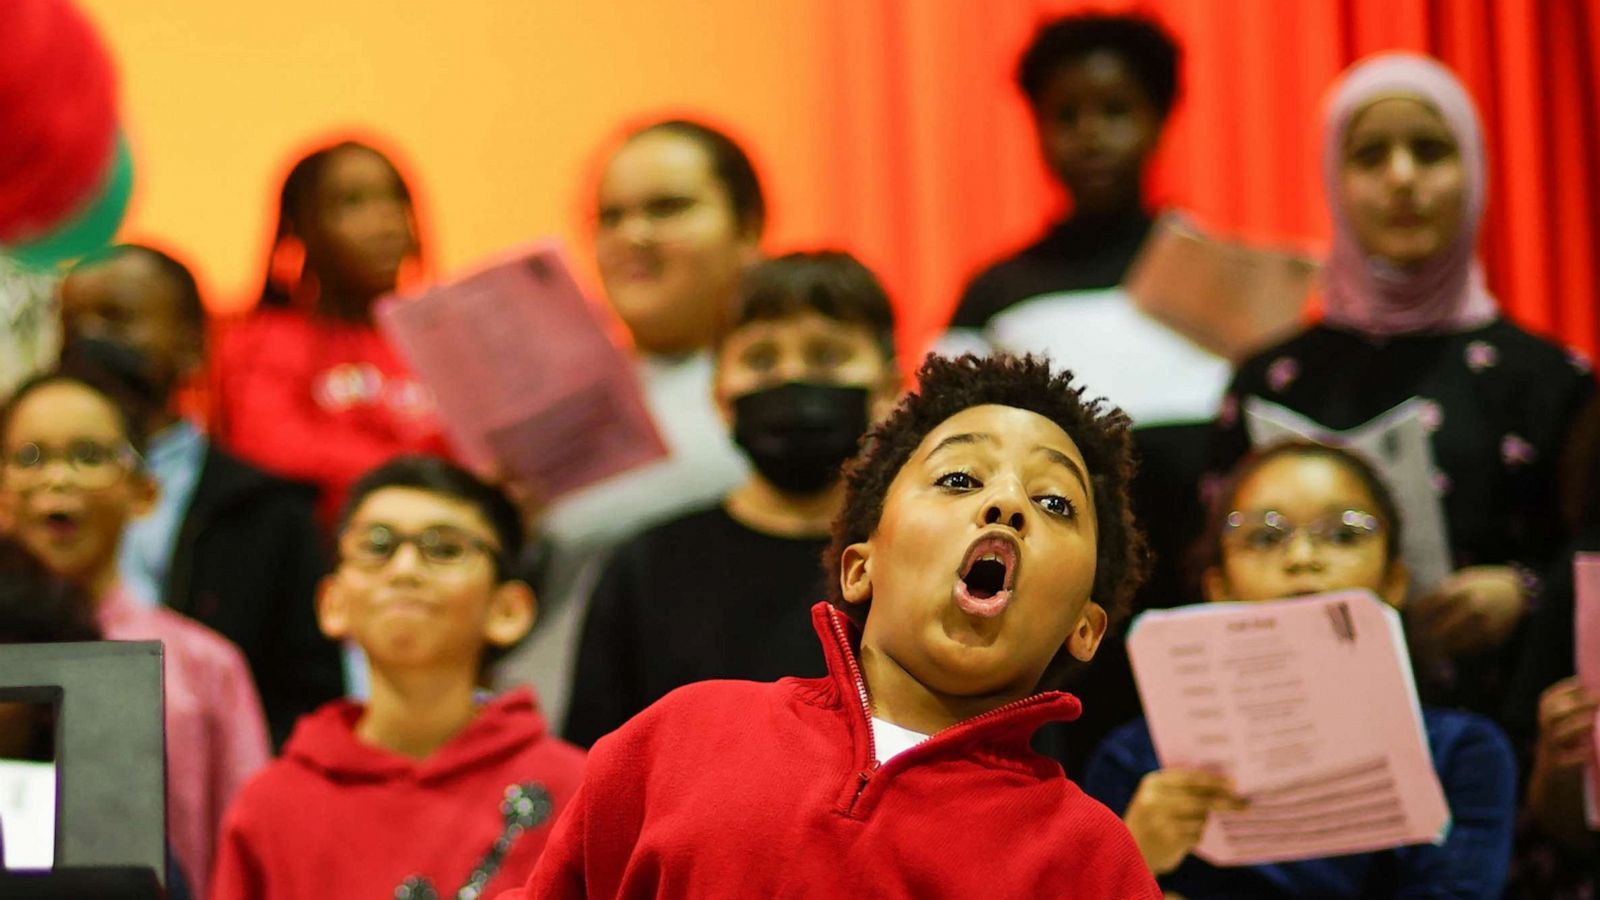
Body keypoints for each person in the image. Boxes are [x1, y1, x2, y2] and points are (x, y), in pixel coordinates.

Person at [501, 353, 1161, 899]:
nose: (1005, 503)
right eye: (959, 478)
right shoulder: (680, 735)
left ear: (1086, 627)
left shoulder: (1091, 861)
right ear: (859, 568)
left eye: (1053, 502)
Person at [1210, 54, 1596, 722]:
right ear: (1334, 178)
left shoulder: (1549, 377)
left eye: (1430, 150)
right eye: (1370, 156)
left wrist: (1525, 592)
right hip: (1302, 734)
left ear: (1474, 169)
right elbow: (1211, 564)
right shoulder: (1270, 379)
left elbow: (1587, 552)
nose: (1403, 179)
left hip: (1507, 732)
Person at [939, 12, 1215, 779]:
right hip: (1047, 635)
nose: (1091, 135)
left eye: (1117, 110)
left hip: (1204, 622)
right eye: (1067, 115)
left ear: (1160, 119)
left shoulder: (1223, 282)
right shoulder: (994, 295)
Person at [1083, 441, 1518, 897]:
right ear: (1219, 586)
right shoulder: (1134, 763)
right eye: (1266, 536)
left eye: (1344, 534)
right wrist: (1133, 855)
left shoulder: (1463, 753)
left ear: (1394, 580)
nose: (1303, 557)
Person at [563, 251, 902, 747]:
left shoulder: (920, 561)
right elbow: (593, 765)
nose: (791, 378)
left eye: (826, 355)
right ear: (720, 395)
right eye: (760, 359)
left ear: (887, 388)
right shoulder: (647, 568)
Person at [211, 456, 586, 900]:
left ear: (508, 610)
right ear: (333, 602)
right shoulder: (270, 804)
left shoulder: (578, 788)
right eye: (377, 546)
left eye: (444, 549)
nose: (405, 569)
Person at [499, 119, 761, 728]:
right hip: (555, 743)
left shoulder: (788, 394)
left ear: (747, 228)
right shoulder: (546, 400)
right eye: (610, 217)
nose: (632, 236)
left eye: (667, 208)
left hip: (733, 744)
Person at [0, 365, 269, 896]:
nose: (58, 478)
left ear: (143, 491)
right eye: (31, 457)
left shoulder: (204, 664)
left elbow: (244, 846)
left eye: (89, 456)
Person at [58, 243, 341, 746]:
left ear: (192, 344)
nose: (89, 339)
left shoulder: (271, 512)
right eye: (72, 323)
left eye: (116, 317)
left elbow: (309, 698)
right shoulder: (20, 494)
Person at [210, 139, 450, 527]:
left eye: (396, 200)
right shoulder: (265, 338)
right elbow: (268, 445)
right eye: (352, 203)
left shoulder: (442, 340)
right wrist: (419, 478)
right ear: (301, 227)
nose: (385, 222)